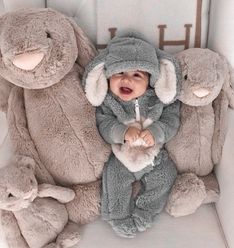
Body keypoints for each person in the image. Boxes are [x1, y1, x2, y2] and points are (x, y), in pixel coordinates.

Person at [82, 32, 181, 238]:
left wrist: (157, 132)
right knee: (114, 180)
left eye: (137, 75)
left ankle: (145, 212)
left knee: (166, 176)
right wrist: (123, 132)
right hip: (121, 156)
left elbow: (172, 120)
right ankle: (117, 216)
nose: (127, 79)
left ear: (150, 81)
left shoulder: (158, 101)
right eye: (119, 74)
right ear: (108, 77)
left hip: (155, 157)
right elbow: (104, 124)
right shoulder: (109, 102)